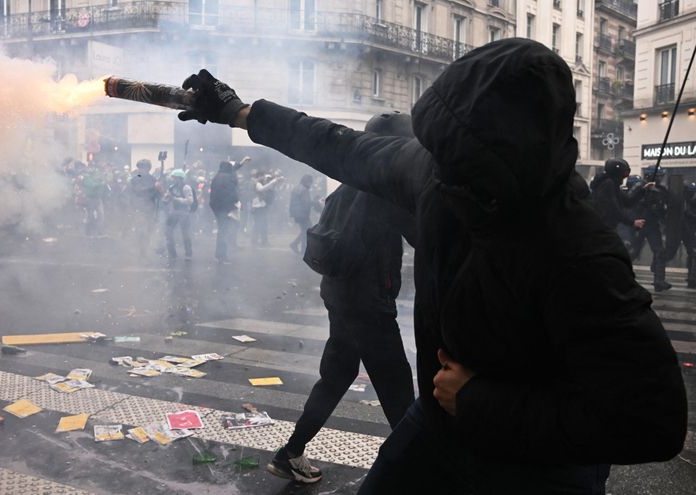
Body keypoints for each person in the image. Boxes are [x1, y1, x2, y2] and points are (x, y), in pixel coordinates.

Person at [178, 38, 687, 493]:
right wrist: (239, 112)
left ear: (506, 157)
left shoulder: (579, 253)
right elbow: (339, 145)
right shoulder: (435, 171)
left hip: (538, 469)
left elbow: (652, 421)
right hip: (439, 430)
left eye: (458, 158)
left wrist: (480, 401)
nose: (440, 172)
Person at [267, 112, 417, 484]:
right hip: (368, 303)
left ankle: (290, 452)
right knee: (398, 391)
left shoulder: (345, 187)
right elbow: (422, 236)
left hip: (339, 294)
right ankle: (417, 472)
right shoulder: (385, 189)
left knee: (337, 376)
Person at [589, 158, 646, 234]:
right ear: (617, 173)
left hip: (606, 226)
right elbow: (614, 209)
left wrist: (643, 190)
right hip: (603, 227)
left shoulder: (613, 184)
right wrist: (632, 222)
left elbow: (628, 201)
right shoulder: (608, 184)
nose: (623, 178)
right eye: (623, 175)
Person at [640, 165, 673, 291]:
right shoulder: (640, 187)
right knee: (631, 252)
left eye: (661, 176)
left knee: (659, 251)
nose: (659, 178)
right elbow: (630, 202)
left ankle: (659, 280)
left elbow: (665, 206)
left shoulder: (661, 190)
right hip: (638, 223)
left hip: (652, 224)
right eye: (658, 176)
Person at [209, 159, 246, 264]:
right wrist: (236, 203)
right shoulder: (227, 178)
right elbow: (232, 193)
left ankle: (218, 255)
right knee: (224, 232)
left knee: (221, 230)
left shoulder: (216, 177)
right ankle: (222, 256)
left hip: (216, 207)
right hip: (225, 207)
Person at [128, 159, 161, 259]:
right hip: (139, 208)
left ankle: (144, 249)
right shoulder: (136, 179)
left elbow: (157, 195)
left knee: (149, 230)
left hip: (150, 208)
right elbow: (136, 190)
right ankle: (140, 249)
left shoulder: (153, 179)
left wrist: (158, 189)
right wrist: (152, 188)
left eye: (143, 167)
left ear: (148, 168)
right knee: (141, 230)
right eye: (140, 167)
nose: (141, 170)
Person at [164, 169, 194, 260]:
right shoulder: (171, 187)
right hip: (174, 212)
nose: (173, 180)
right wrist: (166, 199)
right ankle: (172, 254)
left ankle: (188, 254)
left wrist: (176, 199)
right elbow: (167, 200)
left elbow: (190, 201)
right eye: (173, 178)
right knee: (168, 232)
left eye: (175, 178)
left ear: (180, 178)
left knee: (185, 234)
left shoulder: (186, 188)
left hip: (184, 212)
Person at [287, 174, 321, 254]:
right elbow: (306, 203)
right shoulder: (304, 190)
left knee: (305, 230)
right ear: (306, 182)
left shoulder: (297, 188)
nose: (310, 184)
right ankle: (301, 248)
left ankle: (296, 245)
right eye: (310, 182)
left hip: (296, 213)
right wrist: (317, 203)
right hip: (302, 213)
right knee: (308, 230)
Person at [250, 170, 282, 247]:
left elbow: (268, 188)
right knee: (260, 225)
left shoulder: (260, 183)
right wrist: (272, 182)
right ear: (259, 176)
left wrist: (275, 182)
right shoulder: (257, 183)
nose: (264, 178)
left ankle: (260, 241)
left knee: (261, 225)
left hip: (261, 206)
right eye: (263, 176)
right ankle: (260, 241)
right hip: (258, 207)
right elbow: (262, 189)